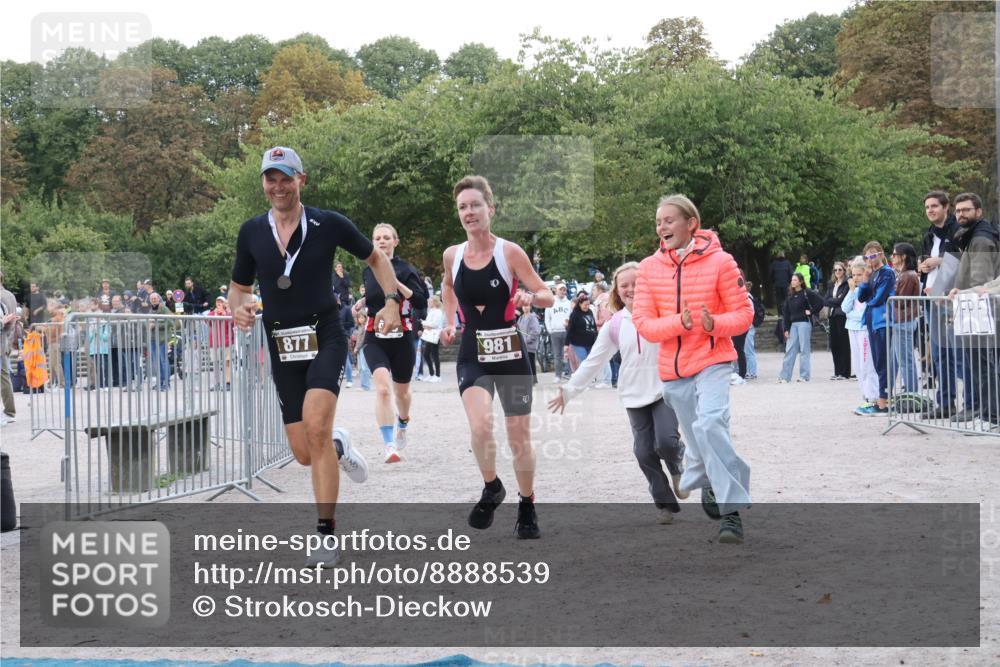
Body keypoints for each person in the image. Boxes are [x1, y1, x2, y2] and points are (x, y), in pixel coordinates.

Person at [229, 146, 397, 566]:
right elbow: (239, 289)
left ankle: (325, 533)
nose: (279, 186)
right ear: (264, 183)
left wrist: (391, 300)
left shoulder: (328, 224)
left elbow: (376, 259)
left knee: (317, 425)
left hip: (325, 335)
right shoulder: (251, 232)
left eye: (286, 177)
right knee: (305, 452)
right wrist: (239, 308)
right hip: (282, 343)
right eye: (271, 178)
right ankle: (339, 446)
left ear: (301, 180)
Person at [632, 194, 753, 544]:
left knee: (711, 423)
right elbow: (644, 323)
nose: (662, 226)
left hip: (714, 359)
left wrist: (711, 323)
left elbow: (744, 316)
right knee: (700, 441)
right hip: (674, 370)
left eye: (669, 220)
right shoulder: (648, 268)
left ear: (691, 224)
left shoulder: (722, 262)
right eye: (658, 221)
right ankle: (709, 478)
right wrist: (679, 323)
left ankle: (730, 514)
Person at [440, 175, 554, 540]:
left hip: (510, 351)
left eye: (475, 205)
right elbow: (446, 285)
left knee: (518, 435)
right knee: (480, 427)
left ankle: (527, 504)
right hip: (474, 350)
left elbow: (547, 294)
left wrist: (531, 299)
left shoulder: (510, 253)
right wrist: (448, 321)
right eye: (462, 207)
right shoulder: (452, 255)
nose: (469, 212)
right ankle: (492, 486)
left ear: (490, 208)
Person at [549, 261, 688, 524]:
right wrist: (569, 391)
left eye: (636, 283)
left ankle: (677, 465)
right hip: (633, 394)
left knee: (667, 442)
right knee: (643, 452)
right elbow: (593, 361)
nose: (631, 289)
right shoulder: (615, 324)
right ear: (616, 290)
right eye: (624, 285)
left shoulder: (664, 313)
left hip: (664, 388)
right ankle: (664, 504)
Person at [354, 223, 428, 463]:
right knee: (383, 389)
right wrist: (362, 301)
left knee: (402, 393)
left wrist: (395, 284)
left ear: (395, 242)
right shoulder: (369, 270)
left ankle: (403, 422)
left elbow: (420, 302)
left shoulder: (406, 269)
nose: (382, 241)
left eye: (387, 238)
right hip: (375, 336)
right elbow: (375, 296)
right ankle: (389, 445)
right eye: (377, 238)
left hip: (403, 335)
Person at [948, 192, 1000, 424]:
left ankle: (991, 415)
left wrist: (961, 294)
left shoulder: (980, 239)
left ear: (978, 212)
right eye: (958, 210)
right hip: (975, 309)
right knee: (980, 365)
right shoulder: (973, 236)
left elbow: (981, 280)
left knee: (984, 365)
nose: (961, 214)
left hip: (981, 311)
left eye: (966, 210)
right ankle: (986, 413)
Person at [918, 191, 962, 418]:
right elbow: (928, 264)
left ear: (946, 207)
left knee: (960, 354)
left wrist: (941, 261)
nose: (930, 210)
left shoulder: (958, 231)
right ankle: (945, 403)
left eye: (934, 206)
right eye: (927, 207)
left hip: (952, 298)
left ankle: (979, 407)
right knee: (938, 354)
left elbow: (965, 260)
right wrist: (923, 267)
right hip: (932, 298)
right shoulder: (928, 236)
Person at [857, 241, 897, 414]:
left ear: (881, 254)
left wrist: (869, 302)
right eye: (867, 256)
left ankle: (884, 401)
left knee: (883, 362)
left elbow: (879, 298)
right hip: (872, 321)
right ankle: (882, 399)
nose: (870, 259)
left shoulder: (887, 273)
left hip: (882, 321)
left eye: (873, 255)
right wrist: (864, 281)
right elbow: (861, 297)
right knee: (878, 361)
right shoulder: (872, 274)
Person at [843, 257, 881, 415]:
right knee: (858, 366)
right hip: (852, 329)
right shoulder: (854, 291)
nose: (856, 278)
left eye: (859, 274)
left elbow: (863, 313)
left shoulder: (868, 289)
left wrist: (852, 315)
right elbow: (845, 308)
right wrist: (851, 291)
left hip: (864, 329)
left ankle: (874, 397)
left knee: (867, 365)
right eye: (853, 275)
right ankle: (865, 397)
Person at [777, 274, 824, 383]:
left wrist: (811, 312)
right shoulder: (790, 297)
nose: (792, 282)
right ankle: (785, 376)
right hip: (793, 325)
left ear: (801, 282)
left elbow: (821, 302)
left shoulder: (807, 293)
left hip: (804, 323)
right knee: (789, 350)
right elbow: (787, 315)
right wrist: (786, 329)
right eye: (792, 280)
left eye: (795, 280)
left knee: (804, 350)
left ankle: (804, 376)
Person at [888, 243, 921, 394]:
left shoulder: (908, 275)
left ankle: (911, 392)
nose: (892, 257)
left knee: (905, 360)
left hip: (904, 320)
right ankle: (887, 390)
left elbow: (901, 302)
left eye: (895, 254)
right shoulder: (903, 274)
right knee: (895, 359)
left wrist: (890, 294)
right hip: (901, 320)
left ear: (904, 256)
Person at [824, 261, 852, 380]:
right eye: (835, 270)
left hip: (842, 316)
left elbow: (841, 301)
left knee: (843, 344)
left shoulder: (846, 284)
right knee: (834, 344)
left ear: (844, 271)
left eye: (840, 270)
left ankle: (845, 372)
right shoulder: (832, 284)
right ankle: (837, 371)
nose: (837, 272)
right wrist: (834, 300)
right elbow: (825, 300)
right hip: (832, 316)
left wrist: (833, 300)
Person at [0, 272, 20, 425]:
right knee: (4, 377)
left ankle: (9, 411)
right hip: (7, 338)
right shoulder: (10, 295)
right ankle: (9, 411)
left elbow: (5, 321)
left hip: (3, 338)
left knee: (4, 377)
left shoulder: (1, 296)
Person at [544, 282, 572, 381]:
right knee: (557, 355)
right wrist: (550, 330)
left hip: (566, 331)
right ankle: (557, 375)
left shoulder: (569, 303)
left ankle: (570, 374)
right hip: (555, 332)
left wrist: (570, 328)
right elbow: (547, 318)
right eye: (561, 289)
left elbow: (572, 317)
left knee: (569, 353)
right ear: (556, 291)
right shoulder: (551, 303)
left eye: (564, 290)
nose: (563, 292)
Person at [566, 291, 598, 370]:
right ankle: (584, 378)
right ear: (580, 304)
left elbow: (593, 325)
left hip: (590, 341)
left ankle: (589, 378)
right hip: (578, 342)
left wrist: (596, 336)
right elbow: (570, 329)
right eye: (585, 305)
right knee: (584, 361)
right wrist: (566, 344)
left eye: (588, 305)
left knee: (590, 360)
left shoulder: (590, 312)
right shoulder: (575, 314)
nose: (587, 307)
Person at [421, 296, 445, 382]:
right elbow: (430, 323)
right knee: (426, 354)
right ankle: (432, 374)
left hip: (435, 335)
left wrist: (424, 323)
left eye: (429, 302)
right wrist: (425, 323)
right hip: (430, 335)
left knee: (434, 355)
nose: (428, 303)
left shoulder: (438, 312)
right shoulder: (431, 311)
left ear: (434, 302)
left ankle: (438, 376)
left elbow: (435, 324)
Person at [516, 300, 541, 383]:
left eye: (527, 306)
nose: (525, 307)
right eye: (524, 306)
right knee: (526, 364)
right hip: (522, 346)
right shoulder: (521, 317)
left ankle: (533, 380)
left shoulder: (533, 317)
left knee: (530, 363)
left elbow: (536, 331)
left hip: (530, 346)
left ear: (530, 307)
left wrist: (527, 341)